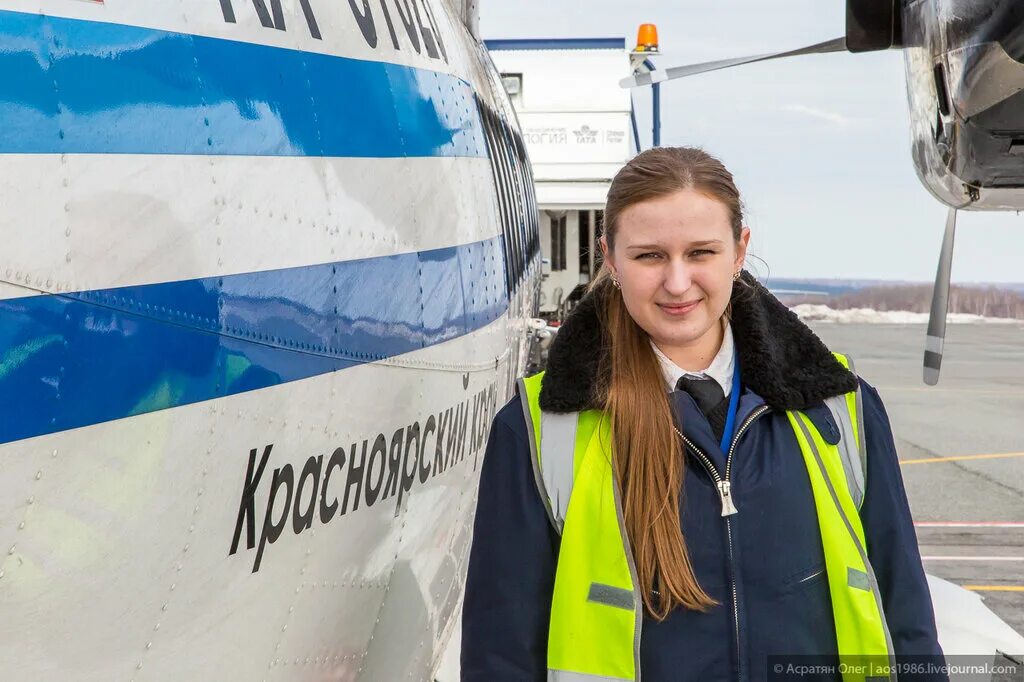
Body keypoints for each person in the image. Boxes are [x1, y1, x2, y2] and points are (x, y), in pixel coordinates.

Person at [460, 147, 946, 682]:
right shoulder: (542, 427)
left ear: (739, 252)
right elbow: (500, 652)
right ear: (610, 258)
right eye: (648, 256)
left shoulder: (836, 404)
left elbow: (906, 616)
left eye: (700, 253)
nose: (676, 282)